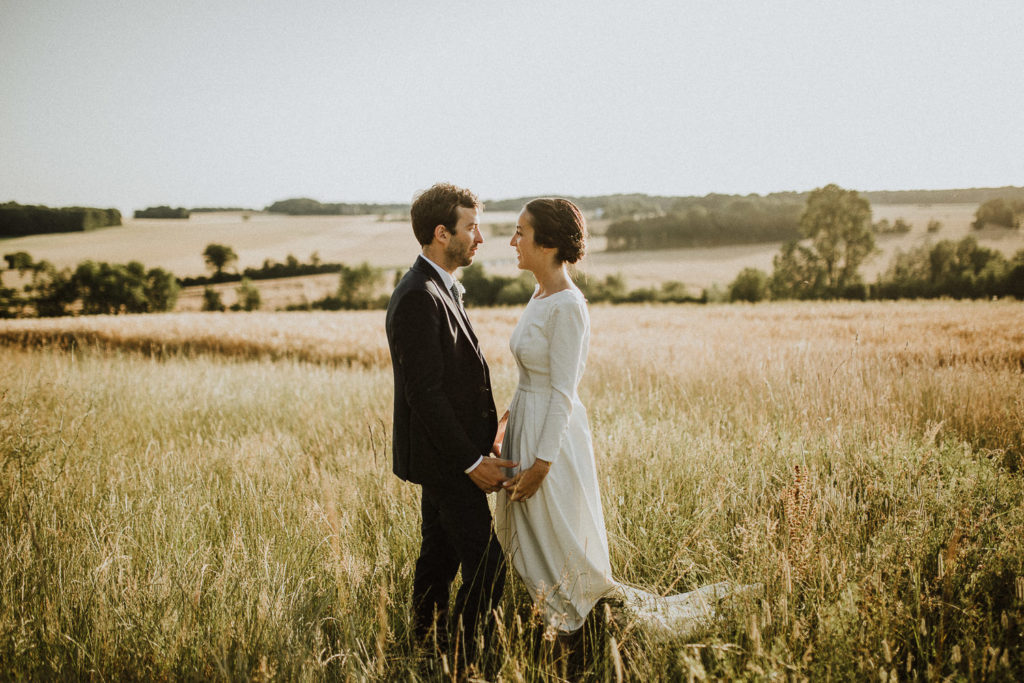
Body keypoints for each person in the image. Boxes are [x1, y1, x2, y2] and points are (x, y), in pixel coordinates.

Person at [494, 198, 754, 646]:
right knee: (532, 537)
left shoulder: (569, 306)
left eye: (521, 232)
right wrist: (507, 422)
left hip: (550, 441)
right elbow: (532, 377)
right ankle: (561, 626)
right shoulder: (539, 294)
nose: (513, 241)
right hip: (526, 426)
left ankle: (596, 630)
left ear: (550, 242)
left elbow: (561, 390)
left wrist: (541, 464)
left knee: (563, 539)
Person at [385, 182, 517, 669]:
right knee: (488, 568)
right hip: (447, 462)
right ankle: (462, 664)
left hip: (449, 455)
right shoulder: (420, 295)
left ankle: (424, 652)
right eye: (471, 227)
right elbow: (426, 394)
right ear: (442, 233)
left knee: (437, 560)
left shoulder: (438, 286)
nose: (480, 238)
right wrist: (471, 461)